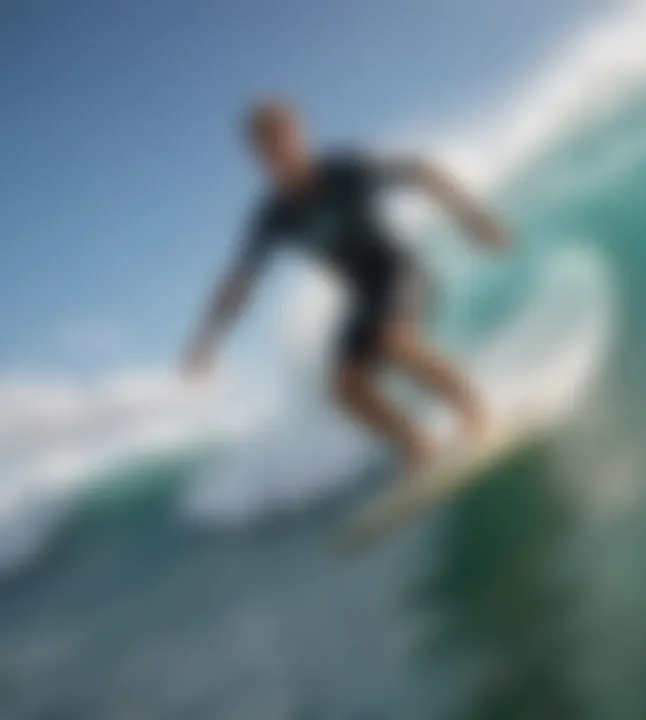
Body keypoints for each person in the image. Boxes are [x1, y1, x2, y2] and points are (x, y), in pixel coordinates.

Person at [182, 100, 510, 474]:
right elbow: (239, 283)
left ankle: (477, 413)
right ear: (258, 156)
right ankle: (418, 444)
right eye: (268, 146)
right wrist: (208, 339)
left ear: (301, 137)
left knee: (392, 340)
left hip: (401, 273)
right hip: (364, 296)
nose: (280, 152)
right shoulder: (273, 216)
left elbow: (421, 171)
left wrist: (472, 218)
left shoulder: (343, 173)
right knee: (343, 389)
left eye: (284, 139)